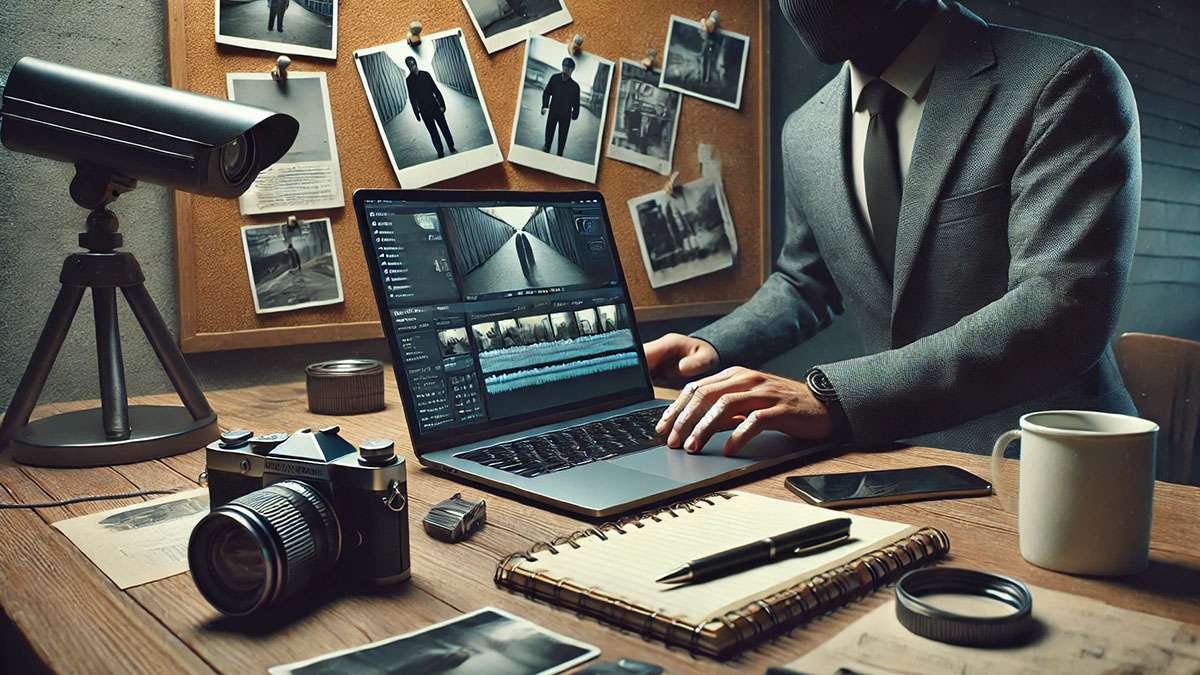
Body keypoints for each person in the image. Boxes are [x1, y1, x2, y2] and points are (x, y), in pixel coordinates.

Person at [650, 0, 1140, 459]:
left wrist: (835, 399)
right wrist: (713, 345)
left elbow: (1061, 307)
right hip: (889, 457)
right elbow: (804, 281)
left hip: (1050, 460)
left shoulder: (1064, 81)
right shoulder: (804, 130)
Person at [405, 56, 456, 159]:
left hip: (435, 107)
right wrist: (416, 113)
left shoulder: (426, 75)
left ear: (416, 63)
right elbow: (412, 97)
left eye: (413, 65)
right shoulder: (409, 80)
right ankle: (440, 151)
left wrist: (442, 105)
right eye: (410, 66)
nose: (413, 67)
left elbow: (435, 90)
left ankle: (451, 146)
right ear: (408, 67)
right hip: (424, 111)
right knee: (433, 132)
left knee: (444, 128)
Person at [541, 57, 580, 156]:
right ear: (562, 66)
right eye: (564, 66)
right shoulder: (555, 79)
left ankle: (559, 153)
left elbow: (576, 103)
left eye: (569, 68)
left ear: (572, 70)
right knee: (549, 131)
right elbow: (547, 92)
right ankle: (546, 147)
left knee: (562, 136)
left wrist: (575, 114)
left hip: (565, 116)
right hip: (553, 112)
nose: (566, 69)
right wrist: (545, 105)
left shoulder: (575, 87)